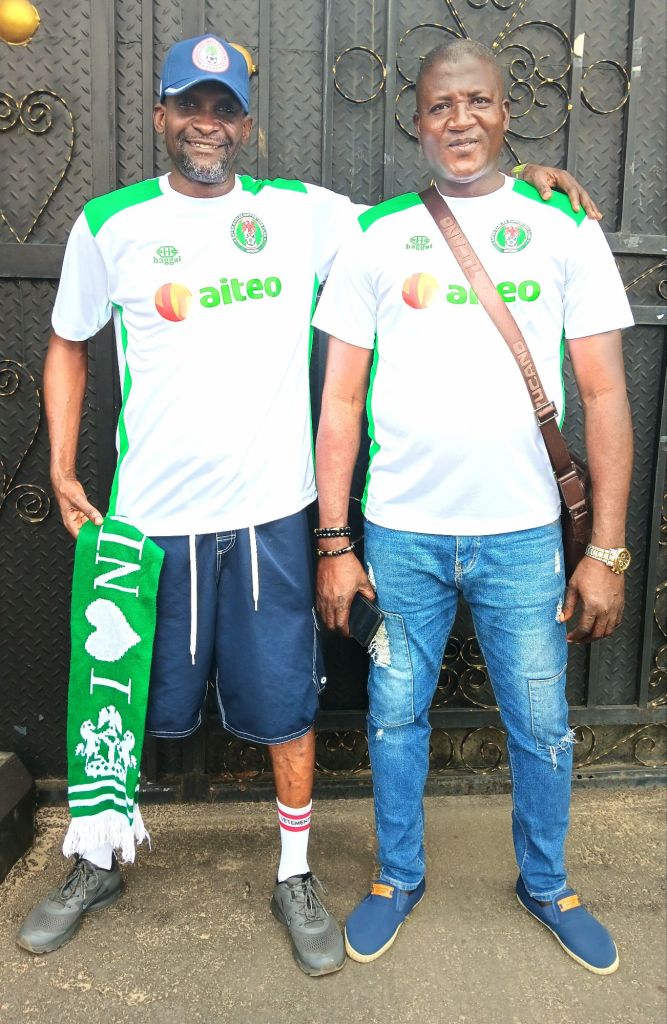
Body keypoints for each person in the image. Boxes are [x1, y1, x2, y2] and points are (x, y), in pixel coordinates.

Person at [16, 32, 600, 974]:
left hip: (271, 516)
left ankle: (294, 873)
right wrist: (60, 465)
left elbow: (444, 201)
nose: (207, 124)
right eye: (190, 105)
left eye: (225, 109)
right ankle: (95, 860)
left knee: (286, 704)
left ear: (246, 125)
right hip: (146, 520)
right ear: (162, 115)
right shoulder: (108, 223)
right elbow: (67, 341)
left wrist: (524, 175)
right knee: (112, 691)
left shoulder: (304, 214)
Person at [313, 38, 633, 976]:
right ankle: (396, 877)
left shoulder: (562, 224)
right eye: (440, 106)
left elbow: (604, 393)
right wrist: (334, 541)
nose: (459, 120)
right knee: (393, 717)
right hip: (400, 534)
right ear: (416, 121)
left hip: (524, 537)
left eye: (477, 102)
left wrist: (604, 552)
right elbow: (339, 401)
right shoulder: (374, 234)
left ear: (505, 111)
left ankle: (547, 883)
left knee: (540, 725)